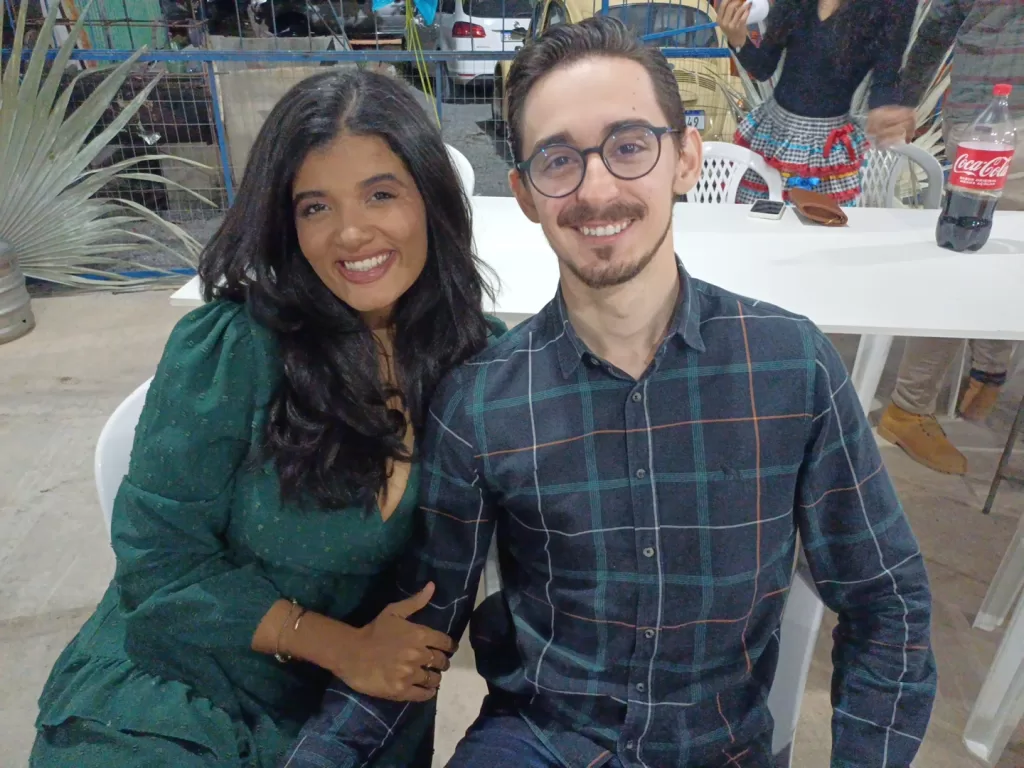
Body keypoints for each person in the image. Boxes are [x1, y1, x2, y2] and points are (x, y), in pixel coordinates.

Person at [283, 17, 937, 768]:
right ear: (525, 193)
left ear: (685, 158)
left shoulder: (790, 367)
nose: (596, 190)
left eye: (629, 147)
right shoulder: (483, 402)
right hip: (538, 741)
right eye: (559, 160)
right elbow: (420, 625)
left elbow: (887, 603)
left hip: (716, 747)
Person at [30, 68, 503, 768]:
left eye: (381, 194)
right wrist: (344, 647)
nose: (351, 232)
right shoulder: (233, 352)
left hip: (349, 710)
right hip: (176, 691)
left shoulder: (477, 361)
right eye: (315, 207)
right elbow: (158, 564)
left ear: (431, 200)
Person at [877, 0, 1023, 476]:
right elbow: (941, 21)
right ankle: (911, 406)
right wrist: (903, 98)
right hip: (999, 118)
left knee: (991, 264)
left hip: (993, 112)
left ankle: (985, 376)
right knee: (971, 258)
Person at [717, 0, 917, 205]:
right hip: (771, 136)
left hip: (828, 153)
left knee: (822, 222)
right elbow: (763, 68)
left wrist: (886, 108)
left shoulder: (892, 6)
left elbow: (886, 76)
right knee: (758, 218)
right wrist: (738, 38)